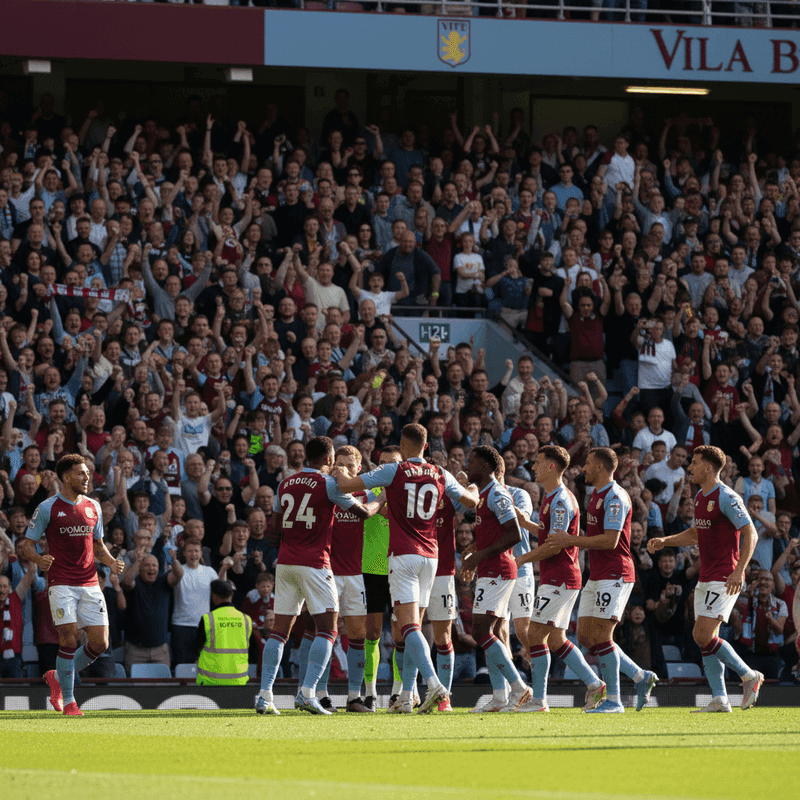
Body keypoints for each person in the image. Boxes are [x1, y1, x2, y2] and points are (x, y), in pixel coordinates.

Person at [334, 423, 479, 714]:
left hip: (403, 556)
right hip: (432, 558)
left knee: (408, 625)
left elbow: (347, 487)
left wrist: (340, 472)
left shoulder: (395, 471)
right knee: (414, 627)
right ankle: (405, 698)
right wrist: (472, 486)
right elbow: (473, 501)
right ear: (426, 446)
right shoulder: (441, 473)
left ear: (403, 444)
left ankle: (434, 684)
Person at [255, 436, 374, 716]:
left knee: (280, 632)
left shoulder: (284, 483)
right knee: (329, 628)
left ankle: (264, 695)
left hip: (285, 563)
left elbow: (275, 526)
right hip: (315, 562)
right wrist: (377, 502)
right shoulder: (328, 484)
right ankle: (308, 692)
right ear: (329, 458)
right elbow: (362, 513)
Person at [648, 445, 765, 712]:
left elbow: (751, 534)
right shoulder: (701, 496)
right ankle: (720, 699)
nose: (689, 467)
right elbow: (695, 533)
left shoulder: (727, 496)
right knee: (705, 637)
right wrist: (666, 540)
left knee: (701, 634)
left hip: (725, 576)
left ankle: (749, 676)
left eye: (694, 463)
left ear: (708, 468)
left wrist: (738, 571)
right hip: (707, 576)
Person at [549, 447, 658, 713]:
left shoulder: (616, 496)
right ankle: (641, 677)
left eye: (587, 463)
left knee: (603, 635)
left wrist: (571, 540)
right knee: (586, 636)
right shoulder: (595, 494)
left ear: (599, 467)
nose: (584, 468)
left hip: (616, 573)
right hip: (597, 574)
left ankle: (614, 701)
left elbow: (610, 540)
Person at [19, 454, 125, 716]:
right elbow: (27, 545)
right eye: (81, 473)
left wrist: (111, 562)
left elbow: (98, 546)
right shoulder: (47, 508)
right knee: (68, 638)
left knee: (100, 644)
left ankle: (58, 675)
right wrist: (39, 558)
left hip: (89, 582)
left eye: (87, 473)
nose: (87, 477)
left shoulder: (94, 507)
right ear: (66, 477)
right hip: (61, 582)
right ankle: (69, 701)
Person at [515, 445, 607, 712]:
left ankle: (539, 700)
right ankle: (594, 683)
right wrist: (526, 523)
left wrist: (522, 559)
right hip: (559, 577)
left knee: (534, 634)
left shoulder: (561, 500)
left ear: (551, 467)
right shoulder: (551, 496)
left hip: (560, 577)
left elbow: (555, 545)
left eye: (538, 462)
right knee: (555, 639)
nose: (533, 467)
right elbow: (548, 536)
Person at [459, 445, 532, 713]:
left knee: (481, 631)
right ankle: (501, 696)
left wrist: (479, 557)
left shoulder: (498, 494)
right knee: (491, 632)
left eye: (473, 461)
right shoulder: (483, 494)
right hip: (491, 570)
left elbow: (514, 535)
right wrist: (476, 555)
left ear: (487, 467)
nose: (468, 464)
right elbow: (490, 534)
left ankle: (519, 687)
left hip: (500, 569)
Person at [321, 445, 384, 712]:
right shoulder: (325, 489)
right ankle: (319, 694)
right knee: (324, 634)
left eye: (349, 465)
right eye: (339, 464)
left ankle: (353, 697)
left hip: (356, 574)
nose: (342, 469)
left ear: (358, 469)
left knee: (358, 635)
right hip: (327, 573)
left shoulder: (367, 493)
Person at [361, 445, 400, 711]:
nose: (386, 467)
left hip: (400, 568)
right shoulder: (368, 491)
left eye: (393, 463)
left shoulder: (409, 493)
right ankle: (371, 692)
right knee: (372, 633)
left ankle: (399, 690)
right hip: (371, 569)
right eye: (382, 463)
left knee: (401, 635)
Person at [195, 579, 253, 686]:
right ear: (232, 594)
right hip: (239, 681)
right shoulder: (246, 619)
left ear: (214, 596)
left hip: (210, 681)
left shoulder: (208, 618)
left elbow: (198, 646)